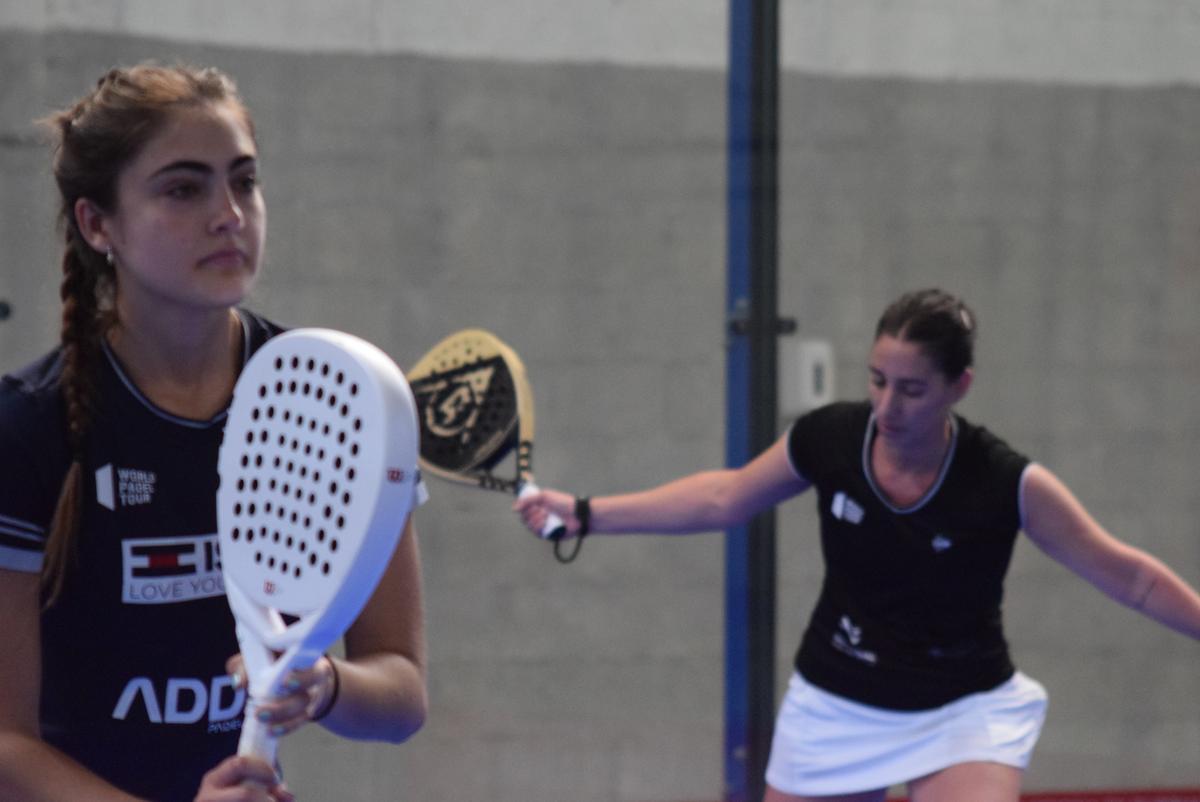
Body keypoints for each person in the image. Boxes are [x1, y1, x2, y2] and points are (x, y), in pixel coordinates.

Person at [515, 288, 1200, 802]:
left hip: (962, 711)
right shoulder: (830, 439)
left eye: (912, 389)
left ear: (959, 387)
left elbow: (1130, 579)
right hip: (836, 702)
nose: (887, 407)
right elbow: (725, 497)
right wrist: (584, 512)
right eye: (877, 380)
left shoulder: (1006, 482)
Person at [0, 63, 427, 802]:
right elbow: (6, 745)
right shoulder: (27, 426)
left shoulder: (336, 405)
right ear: (98, 224)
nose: (228, 213)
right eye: (183, 188)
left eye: (245, 181)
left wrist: (323, 686)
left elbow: (401, 697)